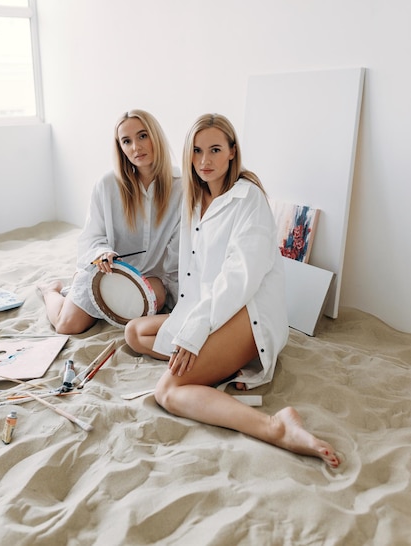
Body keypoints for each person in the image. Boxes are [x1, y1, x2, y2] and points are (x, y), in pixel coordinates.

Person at [125, 112, 340, 467]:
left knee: (168, 391)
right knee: (135, 333)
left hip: (246, 311)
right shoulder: (194, 200)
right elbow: (195, 276)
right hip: (212, 309)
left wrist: (195, 332)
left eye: (214, 150)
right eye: (196, 151)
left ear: (231, 152)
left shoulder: (248, 200)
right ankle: (218, 366)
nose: (204, 161)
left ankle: (276, 427)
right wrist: (189, 320)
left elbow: (239, 280)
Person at [38, 109, 182, 335]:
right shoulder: (106, 185)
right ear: (120, 147)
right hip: (106, 272)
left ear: (156, 136)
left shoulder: (182, 187)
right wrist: (102, 253)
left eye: (142, 136)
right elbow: (92, 236)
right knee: (67, 326)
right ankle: (51, 290)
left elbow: (179, 252)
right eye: (127, 141)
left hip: (150, 275)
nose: (136, 147)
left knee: (153, 301)